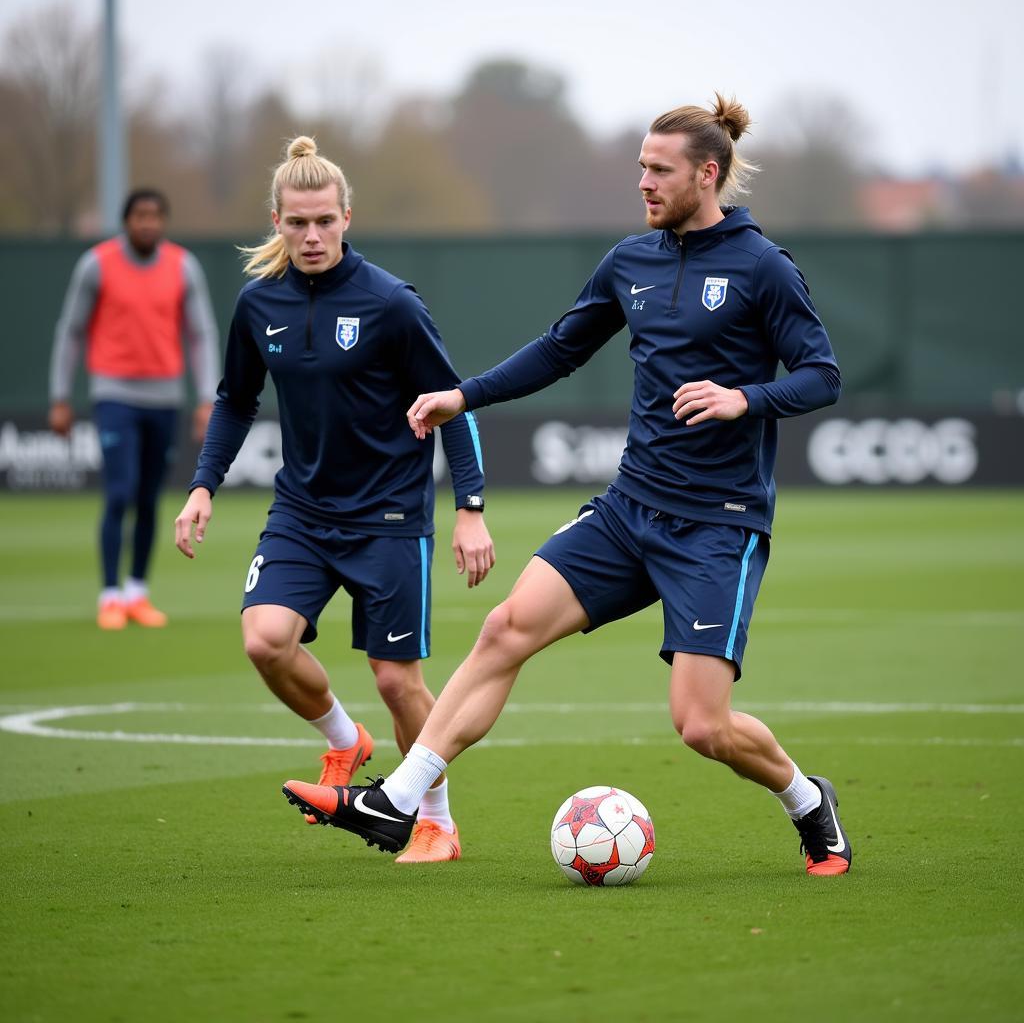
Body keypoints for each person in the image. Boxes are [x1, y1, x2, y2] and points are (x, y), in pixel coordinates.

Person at [282, 95, 853, 877]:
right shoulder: (631, 261)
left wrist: (742, 399)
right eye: (641, 168)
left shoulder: (761, 267)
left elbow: (823, 376)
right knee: (505, 629)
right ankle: (399, 801)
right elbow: (559, 350)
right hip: (629, 510)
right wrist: (463, 394)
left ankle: (807, 801)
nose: (644, 183)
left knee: (701, 726)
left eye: (660, 171)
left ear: (708, 174)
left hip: (719, 524)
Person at [176, 137, 494, 863]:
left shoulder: (390, 304)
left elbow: (456, 405)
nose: (311, 236)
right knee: (265, 640)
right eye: (297, 223)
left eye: (324, 221)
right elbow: (233, 400)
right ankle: (345, 741)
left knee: (397, 679)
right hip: (302, 513)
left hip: (389, 516)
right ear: (277, 222)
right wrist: (202, 486)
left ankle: (435, 821)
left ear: (347, 216)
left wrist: (468, 508)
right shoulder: (259, 304)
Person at [49, 188, 220, 630]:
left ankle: (137, 592)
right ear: (126, 221)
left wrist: (207, 397)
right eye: (140, 216)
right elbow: (71, 331)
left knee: (148, 498)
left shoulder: (183, 267)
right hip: (114, 394)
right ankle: (109, 595)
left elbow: (201, 334)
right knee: (120, 491)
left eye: (156, 216)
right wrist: (60, 396)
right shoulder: (96, 264)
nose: (148, 223)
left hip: (165, 398)